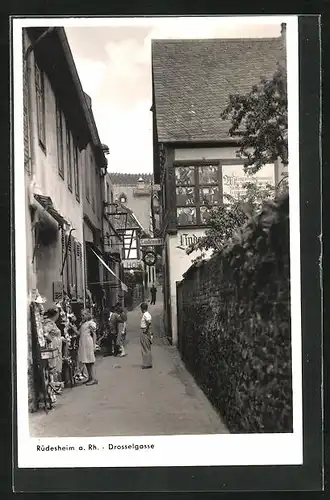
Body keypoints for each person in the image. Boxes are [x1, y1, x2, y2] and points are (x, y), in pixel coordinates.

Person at [77, 309, 98, 386]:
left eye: (83, 315)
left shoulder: (91, 323)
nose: (82, 317)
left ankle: (92, 378)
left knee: (90, 360)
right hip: (83, 342)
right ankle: (90, 377)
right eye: (81, 315)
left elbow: (94, 334)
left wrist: (94, 344)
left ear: (87, 315)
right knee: (85, 360)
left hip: (88, 342)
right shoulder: (83, 323)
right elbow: (78, 333)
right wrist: (72, 326)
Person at [43, 307, 63, 383]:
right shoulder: (49, 323)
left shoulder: (52, 323)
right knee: (53, 365)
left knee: (55, 365)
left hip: (56, 347)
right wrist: (51, 339)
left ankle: (55, 384)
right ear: (56, 315)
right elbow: (45, 332)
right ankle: (53, 384)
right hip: (53, 347)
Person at [140, 302, 152, 369]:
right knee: (147, 347)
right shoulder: (148, 314)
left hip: (144, 331)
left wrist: (146, 330)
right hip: (146, 330)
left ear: (142, 309)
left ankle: (146, 364)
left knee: (145, 347)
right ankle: (149, 362)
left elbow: (148, 322)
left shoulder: (145, 314)